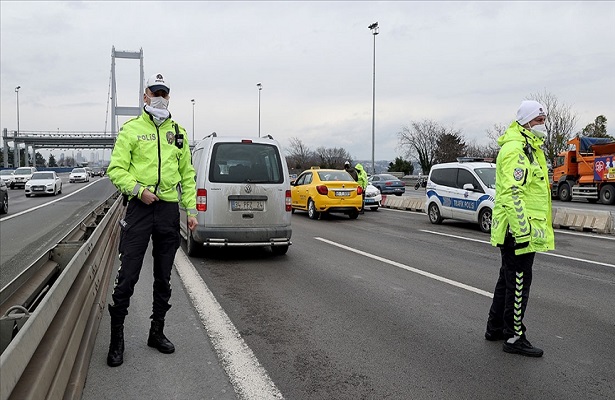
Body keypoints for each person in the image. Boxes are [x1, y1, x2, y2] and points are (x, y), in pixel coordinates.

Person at [105, 73, 199, 367]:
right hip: (139, 208)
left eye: (164, 93)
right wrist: (138, 190)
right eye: (154, 92)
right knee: (128, 276)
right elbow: (116, 169)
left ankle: (156, 332)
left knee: (163, 276)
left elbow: (187, 174)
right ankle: (116, 339)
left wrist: (191, 210)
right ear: (144, 96)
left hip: (169, 210)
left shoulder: (178, 132)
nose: (159, 96)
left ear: (168, 97)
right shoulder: (131, 130)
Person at [485, 100, 555, 357]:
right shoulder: (518, 149)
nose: (543, 125)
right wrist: (522, 231)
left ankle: (495, 327)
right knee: (518, 282)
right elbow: (513, 193)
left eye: (544, 120)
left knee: (507, 278)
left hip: (518, 229)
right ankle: (514, 336)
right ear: (526, 121)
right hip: (518, 231)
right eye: (539, 121)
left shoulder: (531, 147)